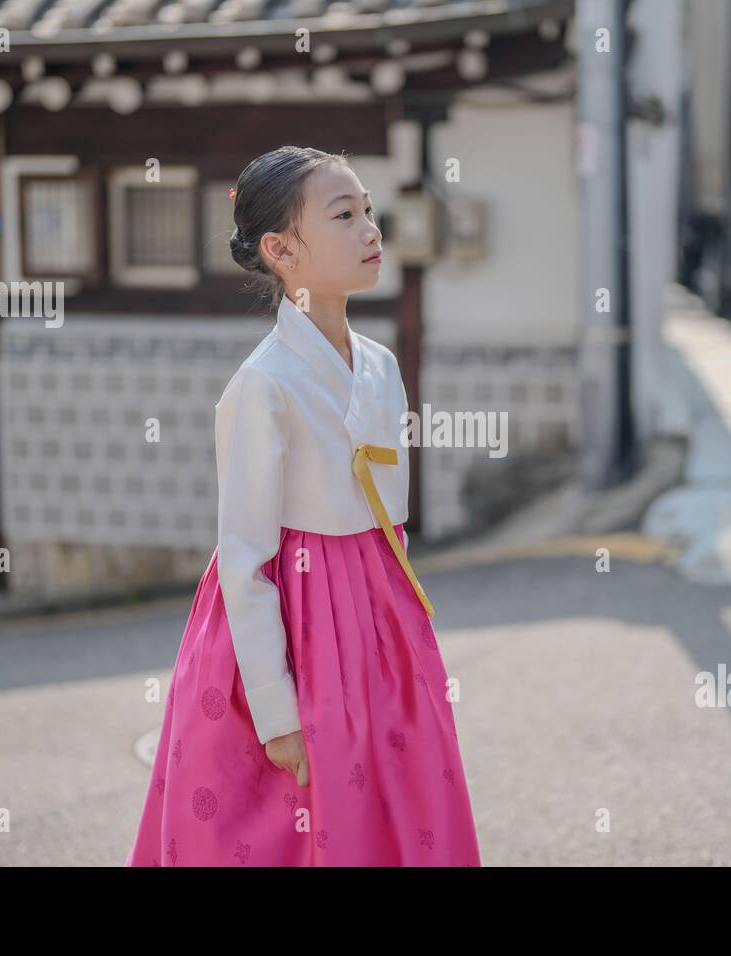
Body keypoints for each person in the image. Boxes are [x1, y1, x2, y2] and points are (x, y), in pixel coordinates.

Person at [125, 146, 481, 866]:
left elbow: (390, 526)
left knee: (397, 807)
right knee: (295, 825)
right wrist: (276, 712)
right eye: (345, 216)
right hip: (297, 621)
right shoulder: (264, 385)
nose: (370, 230)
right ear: (281, 250)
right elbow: (245, 562)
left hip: (378, 619)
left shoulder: (380, 367)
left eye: (369, 212)